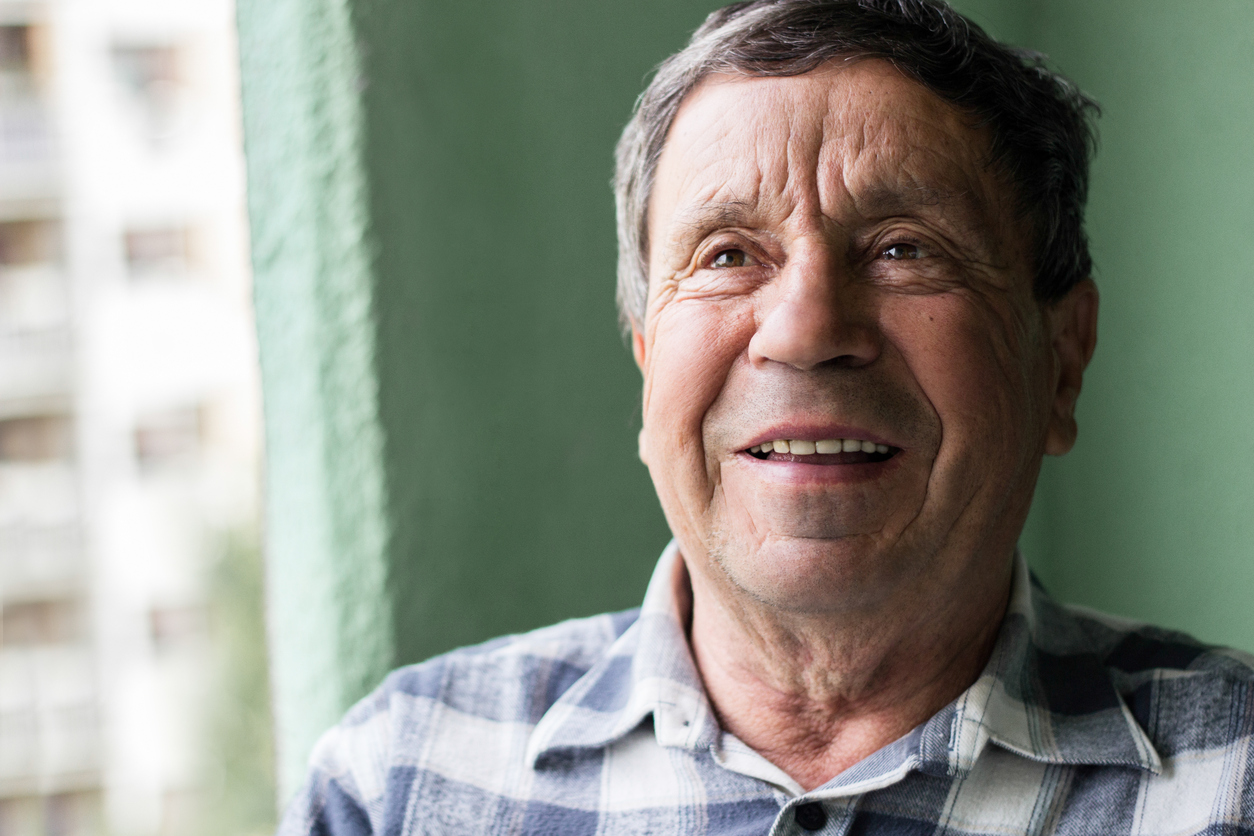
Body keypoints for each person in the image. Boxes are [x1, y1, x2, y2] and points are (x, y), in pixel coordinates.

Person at [278, 1, 1254, 833]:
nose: (804, 330)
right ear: (648, 355)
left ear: (1064, 360)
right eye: (726, 254)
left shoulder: (1235, 778)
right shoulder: (397, 784)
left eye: (905, 248)